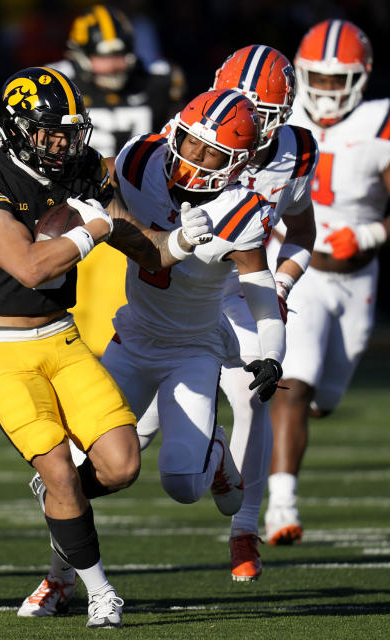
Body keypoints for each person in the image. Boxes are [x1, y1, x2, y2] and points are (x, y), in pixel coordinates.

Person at [0, 65, 213, 628]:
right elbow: (27, 265)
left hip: (59, 334)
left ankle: (58, 500)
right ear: (21, 130)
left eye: (71, 132)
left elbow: (149, 250)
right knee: (65, 474)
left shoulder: (81, 171)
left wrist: (194, 236)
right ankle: (99, 591)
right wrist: (89, 229)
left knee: (119, 465)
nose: (66, 144)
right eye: (52, 132)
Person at [137, 46, 318, 582]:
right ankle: (65, 566)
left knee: (255, 394)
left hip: (243, 287)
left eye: (261, 117)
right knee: (137, 432)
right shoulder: (185, 139)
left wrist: (280, 285)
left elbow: (302, 233)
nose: (249, 126)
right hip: (175, 289)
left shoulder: (295, 151)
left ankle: (244, 527)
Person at [105, 88, 285, 534]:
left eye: (213, 152)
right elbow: (97, 189)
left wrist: (273, 351)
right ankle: (61, 578)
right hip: (133, 335)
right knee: (76, 466)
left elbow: (259, 288)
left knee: (183, 483)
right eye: (191, 142)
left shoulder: (240, 209)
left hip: (193, 349)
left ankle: (217, 454)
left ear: (238, 163)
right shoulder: (138, 160)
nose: (195, 156)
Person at [265, 20, 390, 546]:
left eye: (339, 80)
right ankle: (280, 506)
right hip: (296, 265)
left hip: (356, 278)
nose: (326, 90)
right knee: (297, 381)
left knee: (324, 399)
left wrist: (365, 235)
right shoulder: (277, 117)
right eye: (317, 77)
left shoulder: (380, 122)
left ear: (361, 79)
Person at [46, 4, 185, 356]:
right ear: (78, 54)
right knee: (58, 323)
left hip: (124, 211)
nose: (115, 65)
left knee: (106, 329)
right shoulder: (55, 83)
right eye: (103, 57)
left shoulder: (158, 80)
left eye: (122, 55)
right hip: (66, 210)